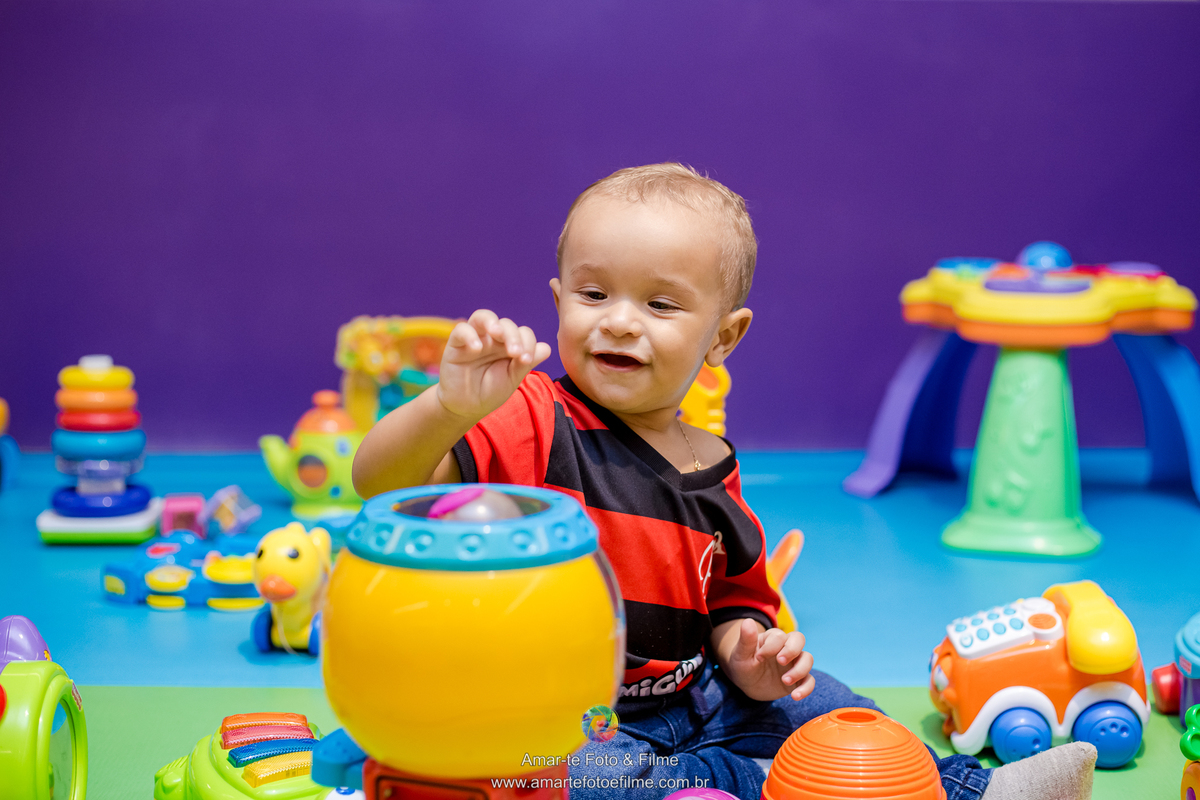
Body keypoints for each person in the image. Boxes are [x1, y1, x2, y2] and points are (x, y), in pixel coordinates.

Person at [352, 164, 1097, 800]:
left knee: (837, 709)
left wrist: (753, 653)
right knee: (553, 775)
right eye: (592, 294)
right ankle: (751, 778)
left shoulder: (715, 464)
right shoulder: (531, 417)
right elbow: (379, 483)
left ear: (724, 336)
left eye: (660, 304)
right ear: (558, 303)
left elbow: (734, 606)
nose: (618, 322)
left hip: (701, 695)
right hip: (571, 720)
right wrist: (448, 407)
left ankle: (965, 786)